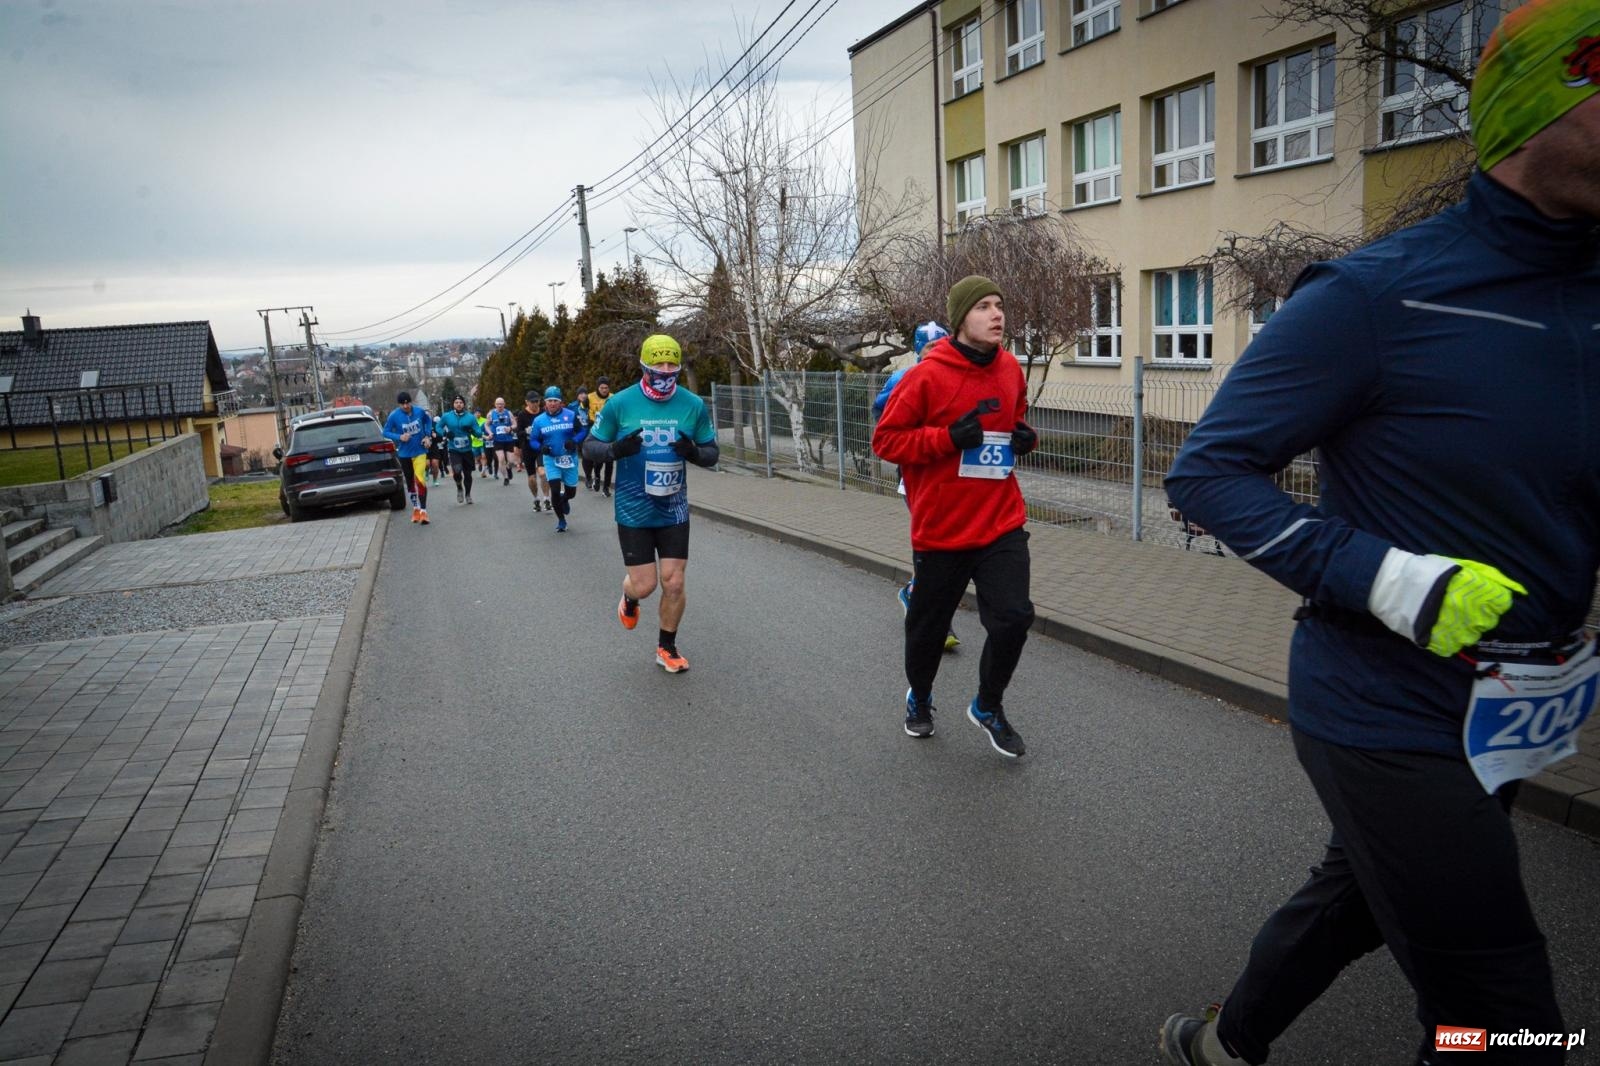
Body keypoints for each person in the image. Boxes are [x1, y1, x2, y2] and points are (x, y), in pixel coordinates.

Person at [1159, 4, 1599, 1062]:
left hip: (1514, 705)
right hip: (1383, 703)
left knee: (1355, 896)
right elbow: (1205, 470)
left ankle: (1219, 1044)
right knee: (1507, 1021)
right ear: (1548, 103)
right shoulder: (1377, 296)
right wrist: (1389, 577)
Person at [871, 277, 1038, 757]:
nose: (997, 314)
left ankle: (988, 705)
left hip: (1000, 520)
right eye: (984, 307)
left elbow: (1016, 417)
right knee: (928, 631)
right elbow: (886, 442)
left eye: (1000, 305)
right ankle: (919, 696)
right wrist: (946, 439)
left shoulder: (1009, 367)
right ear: (961, 318)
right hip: (942, 528)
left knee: (1013, 618)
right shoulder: (926, 375)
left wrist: (1026, 436)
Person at [582, 335, 718, 673]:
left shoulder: (692, 404)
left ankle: (666, 648)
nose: (666, 370)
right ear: (644, 365)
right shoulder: (620, 404)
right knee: (646, 585)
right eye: (659, 363)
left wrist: (695, 454)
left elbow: (712, 452)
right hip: (633, 507)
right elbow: (589, 447)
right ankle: (629, 597)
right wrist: (615, 450)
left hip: (673, 508)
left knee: (674, 581)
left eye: (672, 364)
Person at [874, 320, 960, 653]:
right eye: (929, 349)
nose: (937, 353)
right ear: (917, 351)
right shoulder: (902, 378)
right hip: (916, 477)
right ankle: (936, 619)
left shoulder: (955, 375)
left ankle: (916, 594)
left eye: (942, 345)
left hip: (951, 477)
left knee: (953, 549)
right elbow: (883, 419)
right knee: (937, 548)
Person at [530, 386, 587, 532]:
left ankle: (565, 499)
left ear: (561, 402)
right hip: (551, 459)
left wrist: (574, 441)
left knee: (571, 492)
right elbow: (534, 440)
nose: (552, 404)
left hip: (569, 458)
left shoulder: (570, 415)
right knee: (554, 490)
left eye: (555, 400)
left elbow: (582, 431)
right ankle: (561, 521)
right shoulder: (539, 420)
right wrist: (541, 448)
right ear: (545, 402)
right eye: (549, 401)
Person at [381, 390, 433, 524]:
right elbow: (385, 432)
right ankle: (416, 509)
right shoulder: (394, 416)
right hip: (404, 454)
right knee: (410, 481)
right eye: (402, 404)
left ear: (411, 402)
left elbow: (428, 421)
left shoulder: (419, 411)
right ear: (399, 405)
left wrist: (427, 435)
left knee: (420, 478)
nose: (405, 406)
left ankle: (424, 511)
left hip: (420, 451)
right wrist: (399, 437)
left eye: (407, 403)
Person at [436, 396, 482, 504]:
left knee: (467, 474)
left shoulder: (470, 417)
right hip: (454, 449)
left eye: (461, 402)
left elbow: (479, 433)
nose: (458, 404)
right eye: (456, 402)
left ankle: (468, 494)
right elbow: (438, 427)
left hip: (467, 450)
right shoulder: (447, 416)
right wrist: (445, 433)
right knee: (456, 471)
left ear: (464, 404)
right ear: (453, 404)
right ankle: (459, 488)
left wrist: (471, 430)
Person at [514, 390, 549, 514]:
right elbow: (518, 433)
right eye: (532, 402)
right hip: (528, 448)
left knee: (542, 472)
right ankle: (536, 499)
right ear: (526, 402)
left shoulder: (544, 412)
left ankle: (546, 499)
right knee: (532, 478)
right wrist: (526, 432)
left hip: (540, 447)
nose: (535, 404)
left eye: (537, 401)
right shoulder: (523, 415)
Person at [586, 377, 615, 495]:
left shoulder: (613, 397)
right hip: (596, 431)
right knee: (599, 459)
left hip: (610, 432)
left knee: (610, 460)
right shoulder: (590, 397)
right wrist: (591, 421)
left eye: (606, 388)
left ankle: (606, 487)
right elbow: (583, 410)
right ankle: (597, 477)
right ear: (597, 387)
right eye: (602, 388)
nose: (604, 390)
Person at [487, 396, 518, 485]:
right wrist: (490, 433)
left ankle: (509, 468)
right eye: (498, 404)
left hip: (508, 440)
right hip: (497, 440)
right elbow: (486, 425)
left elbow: (515, 424)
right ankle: (505, 478)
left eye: (501, 404)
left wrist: (510, 428)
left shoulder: (508, 413)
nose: (499, 405)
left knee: (511, 461)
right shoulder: (491, 414)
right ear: (495, 404)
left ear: (504, 404)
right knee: (501, 459)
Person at [473, 409, 490, 479]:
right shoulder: (472, 421)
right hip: (474, 443)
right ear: (474, 414)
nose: (478, 414)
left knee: (484, 456)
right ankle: (480, 464)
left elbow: (488, 429)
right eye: (476, 413)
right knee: (477, 458)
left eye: (479, 413)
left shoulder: (484, 420)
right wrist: (474, 437)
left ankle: (483, 472)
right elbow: (470, 431)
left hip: (483, 442)